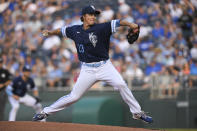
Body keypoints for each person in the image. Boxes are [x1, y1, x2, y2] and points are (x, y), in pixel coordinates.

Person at [33, 5, 153, 123]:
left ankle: (137, 113)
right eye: (90, 14)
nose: (93, 17)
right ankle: (45, 112)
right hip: (87, 69)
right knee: (74, 96)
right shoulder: (74, 30)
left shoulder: (102, 28)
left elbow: (119, 22)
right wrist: (50, 32)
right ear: (84, 16)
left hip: (104, 66)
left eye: (94, 15)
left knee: (121, 84)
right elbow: (61, 30)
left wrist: (132, 25)